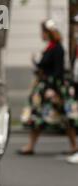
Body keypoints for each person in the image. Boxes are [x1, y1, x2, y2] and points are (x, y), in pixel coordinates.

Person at [19, 20, 78, 155]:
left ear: (48, 33)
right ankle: (30, 145)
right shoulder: (49, 48)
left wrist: (52, 89)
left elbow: (58, 71)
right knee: (38, 116)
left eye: (43, 32)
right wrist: (35, 62)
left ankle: (74, 145)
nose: (41, 34)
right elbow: (43, 67)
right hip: (45, 86)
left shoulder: (57, 48)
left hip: (54, 88)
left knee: (66, 116)